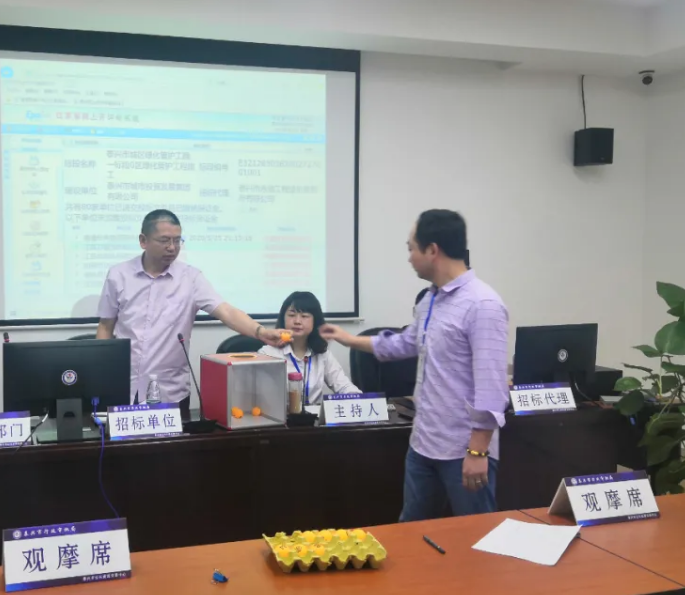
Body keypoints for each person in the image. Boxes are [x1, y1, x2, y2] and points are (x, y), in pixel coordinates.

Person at [320, 210, 508, 521]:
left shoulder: (483, 304)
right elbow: (404, 344)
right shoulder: (430, 300)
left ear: (432, 250)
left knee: (474, 535)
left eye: (411, 248)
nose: (409, 257)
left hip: (463, 450)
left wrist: (478, 451)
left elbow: (492, 387)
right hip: (423, 444)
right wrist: (349, 339)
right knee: (412, 533)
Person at [97, 209, 285, 413]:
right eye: (164, 240)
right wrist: (102, 376)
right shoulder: (119, 275)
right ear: (143, 241)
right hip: (123, 386)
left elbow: (226, 311)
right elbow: (106, 326)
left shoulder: (191, 278)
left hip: (170, 390)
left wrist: (260, 332)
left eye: (177, 240)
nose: (172, 247)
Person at [258, 291, 359, 405]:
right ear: (283, 319)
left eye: (304, 316)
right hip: (280, 415)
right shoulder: (267, 354)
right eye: (291, 315)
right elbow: (259, 397)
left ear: (315, 321)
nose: (297, 321)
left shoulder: (322, 354)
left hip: (314, 416)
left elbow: (344, 386)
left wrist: (361, 401)